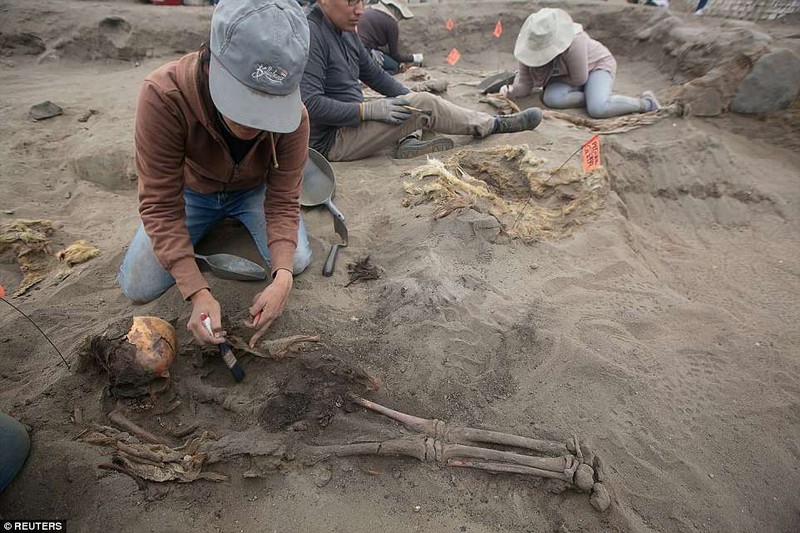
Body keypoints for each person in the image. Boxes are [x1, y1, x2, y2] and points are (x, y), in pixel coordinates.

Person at [118, 0, 312, 348]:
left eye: (268, 107)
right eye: (246, 102)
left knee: (295, 260)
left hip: (255, 191)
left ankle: (236, 227)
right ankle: (206, 228)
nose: (254, 122)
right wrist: (197, 291)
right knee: (139, 286)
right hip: (192, 193)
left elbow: (284, 199)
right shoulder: (164, 96)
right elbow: (160, 205)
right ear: (210, 60)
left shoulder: (295, 118)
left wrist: (282, 278)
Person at [300, 0, 544, 162]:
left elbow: (372, 74)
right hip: (331, 141)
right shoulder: (311, 32)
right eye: (352, 1)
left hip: (352, 118)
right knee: (426, 103)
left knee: (414, 102)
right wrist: (367, 110)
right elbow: (309, 104)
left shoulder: (346, 27)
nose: (361, 10)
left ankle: (409, 141)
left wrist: (405, 96)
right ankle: (494, 124)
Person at [501, 8, 660, 119]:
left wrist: (550, 81)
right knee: (551, 98)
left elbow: (580, 78)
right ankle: (594, 95)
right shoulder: (527, 48)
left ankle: (646, 104)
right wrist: (510, 91)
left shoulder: (574, 42)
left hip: (596, 67)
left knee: (598, 108)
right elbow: (525, 84)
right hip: (567, 76)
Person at [357, 0, 422, 74]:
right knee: (394, 67)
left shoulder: (368, 10)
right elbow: (394, 55)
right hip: (365, 53)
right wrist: (415, 58)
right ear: (396, 10)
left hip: (354, 49)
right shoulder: (391, 23)